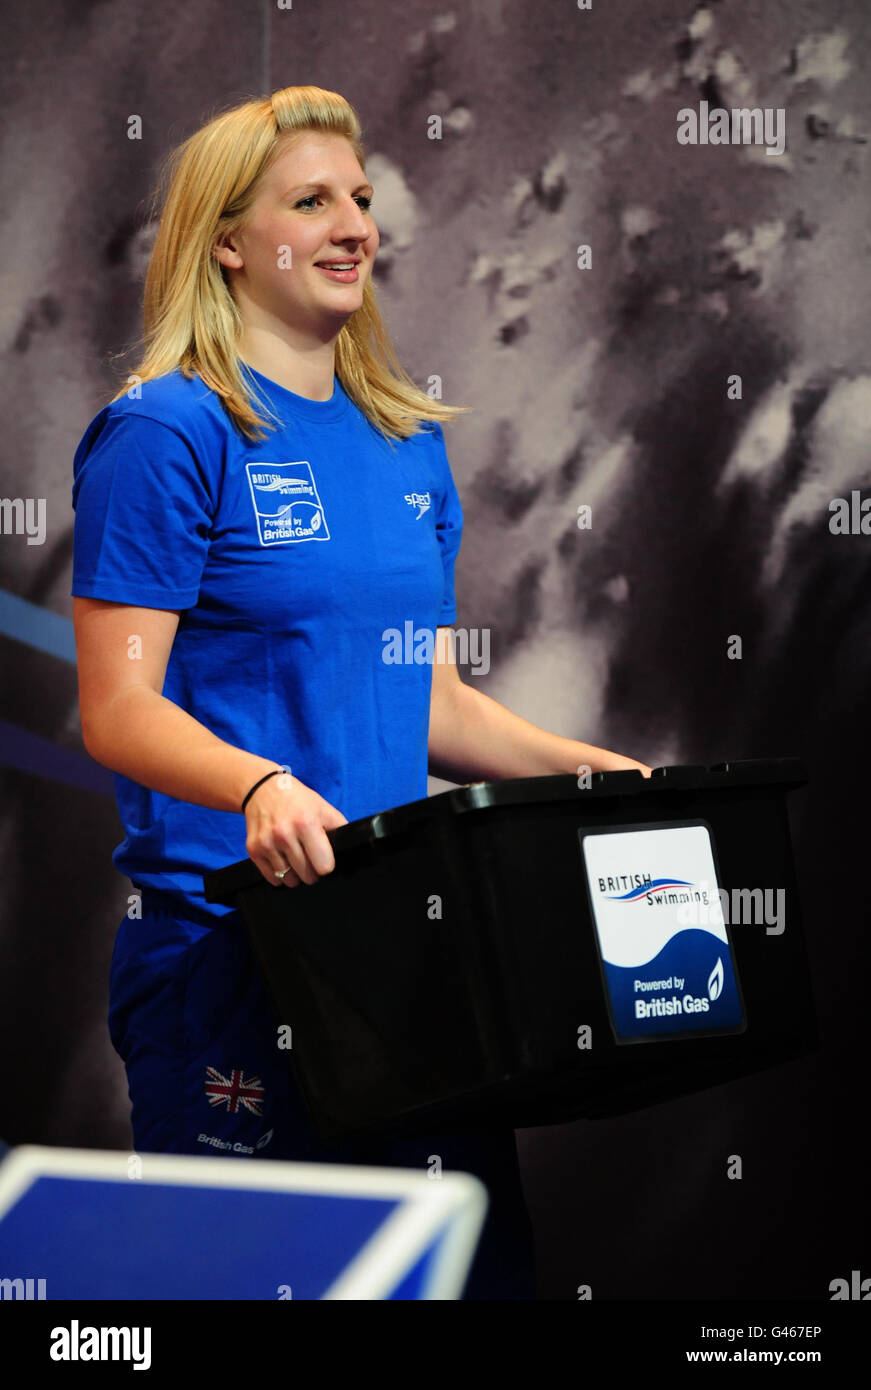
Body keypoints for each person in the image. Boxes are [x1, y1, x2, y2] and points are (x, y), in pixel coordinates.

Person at [71, 84, 651, 1300]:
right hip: (229, 965)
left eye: (362, 200)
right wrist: (260, 784)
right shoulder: (167, 432)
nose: (353, 226)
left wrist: (592, 775)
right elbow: (116, 710)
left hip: (405, 968)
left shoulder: (403, 441)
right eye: (311, 201)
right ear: (226, 239)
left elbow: (431, 708)